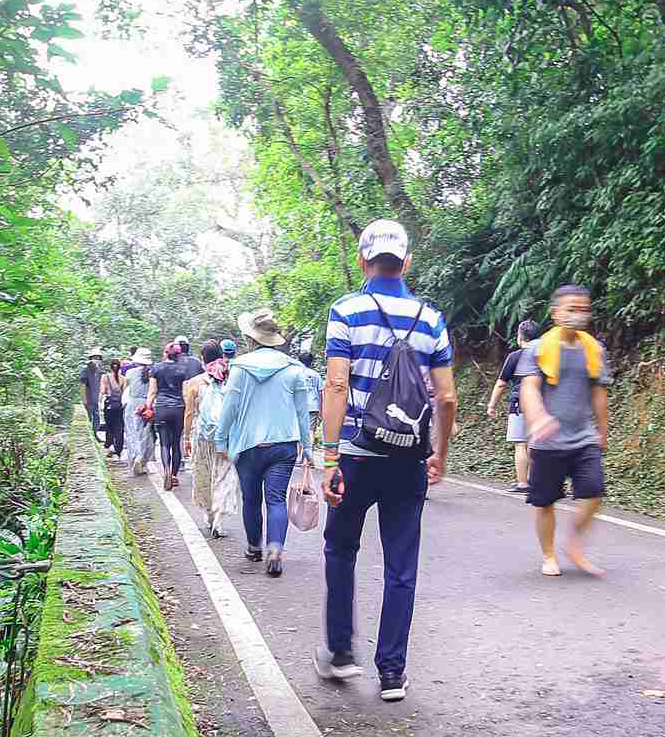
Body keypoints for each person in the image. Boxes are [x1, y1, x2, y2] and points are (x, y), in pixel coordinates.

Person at [313, 219, 456, 703]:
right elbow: (448, 396)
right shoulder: (431, 319)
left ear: (362, 260)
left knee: (340, 550)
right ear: (407, 262)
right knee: (401, 565)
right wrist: (439, 452)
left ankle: (341, 654)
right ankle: (392, 672)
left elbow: (335, 385)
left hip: (355, 454)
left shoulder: (346, 311)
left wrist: (330, 457)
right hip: (407, 461)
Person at [215, 309, 318, 576]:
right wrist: (307, 448)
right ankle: (275, 548)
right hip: (283, 445)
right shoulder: (294, 370)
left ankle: (253, 547)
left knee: (251, 498)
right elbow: (302, 413)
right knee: (275, 500)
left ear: (251, 338)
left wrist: (221, 440)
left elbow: (229, 408)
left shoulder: (239, 368)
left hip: (247, 445)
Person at [520, 286, 611, 577]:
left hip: (583, 437)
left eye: (584, 309)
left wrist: (603, 430)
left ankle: (574, 544)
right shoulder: (538, 349)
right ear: (556, 313)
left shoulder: (594, 349)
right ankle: (549, 555)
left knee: (595, 492)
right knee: (545, 501)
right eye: (571, 309)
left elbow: (598, 391)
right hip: (547, 441)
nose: (578, 315)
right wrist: (538, 419)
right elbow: (529, 388)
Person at [486, 320, 541, 492]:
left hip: (520, 404)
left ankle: (523, 483)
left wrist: (491, 405)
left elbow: (501, 384)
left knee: (520, 444)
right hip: (543, 404)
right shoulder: (545, 356)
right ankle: (537, 482)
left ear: (520, 336)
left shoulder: (515, 357)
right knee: (536, 443)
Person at [183, 342, 229, 537]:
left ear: (203, 359)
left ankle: (209, 515)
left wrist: (186, 438)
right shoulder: (229, 378)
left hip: (202, 437)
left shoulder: (193, 383)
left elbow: (189, 413)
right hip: (225, 437)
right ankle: (219, 519)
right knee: (224, 476)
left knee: (204, 475)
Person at [147, 341, 203, 491]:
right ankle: (173, 474)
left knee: (164, 443)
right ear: (179, 355)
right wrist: (188, 410)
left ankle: (165, 469)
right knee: (176, 443)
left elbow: (152, 391)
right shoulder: (183, 370)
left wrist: (148, 406)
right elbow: (185, 393)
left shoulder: (156, 368)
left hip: (162, 408)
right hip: (178, 408)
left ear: (166, 353)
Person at [122, 348, 153, 473]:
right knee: (146, 433)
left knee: (132, 432)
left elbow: (126, 389)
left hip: (133, 404)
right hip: (147, 404)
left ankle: (136, 455)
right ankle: (143, 459)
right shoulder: (153, 372)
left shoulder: (129, 372)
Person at [101, 353, 125, 460]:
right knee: (119, 427)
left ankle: (109, 446)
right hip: (119, 406)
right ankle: (118, 449)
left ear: (110, 367)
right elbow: (124, 394)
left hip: (109, 405)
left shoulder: (105, 377)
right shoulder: (124, 379)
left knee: (109, 427)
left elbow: (103, 391)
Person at [81, 348, 104, 442]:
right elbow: (82, 386)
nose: (97, 359)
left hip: (96, 399)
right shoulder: (86, 370)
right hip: (89, 398)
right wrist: (84, 399)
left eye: (98, 358)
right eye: (95, 358)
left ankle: (95, 435)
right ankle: (90, 438)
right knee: (89, 418)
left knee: (96, 419)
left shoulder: (99, 371)